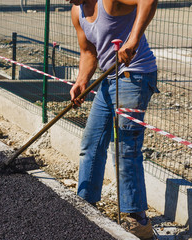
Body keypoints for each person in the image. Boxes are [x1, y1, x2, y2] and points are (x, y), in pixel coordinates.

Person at [67, 0, 159, 239]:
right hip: (109, 80)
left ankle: (137, 220)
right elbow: (88, 52)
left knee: (126, 147)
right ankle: (85, 206)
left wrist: (133, 39)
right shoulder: (77, 12)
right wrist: (82, 81)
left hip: (134, 74)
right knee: (91, 142)